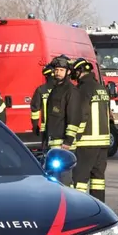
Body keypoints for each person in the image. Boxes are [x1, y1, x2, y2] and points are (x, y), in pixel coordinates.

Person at [70, 57, 112, 201]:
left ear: (79, 72)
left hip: (87, 142)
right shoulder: (101, 89)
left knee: (79, 179)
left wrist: (75, 137)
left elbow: (82, 114)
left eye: (74, 71)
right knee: (98, 179)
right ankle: (100, 208)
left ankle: (79, 208)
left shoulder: (82, 90)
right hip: (103, 142)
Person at [43, 55, 83, 187]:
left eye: (61, 70)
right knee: (53, 181)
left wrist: (68, 142)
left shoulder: (71, 91)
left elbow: (74, 118)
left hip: (64, 145)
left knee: (65, 181)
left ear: (68, 72)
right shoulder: (55, 90)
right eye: (56, 70)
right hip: (52, 143)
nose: (58, 73)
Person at [30, 63, 55, 149]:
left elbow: (35, 109)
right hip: (62, 129)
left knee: (47, 154)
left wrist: (35, 126)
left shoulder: (41, 90)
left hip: (46, 129)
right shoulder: (64, 88)